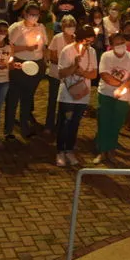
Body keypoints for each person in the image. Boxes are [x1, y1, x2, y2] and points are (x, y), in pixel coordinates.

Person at [55, 25, 98, 166]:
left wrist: (83, 73)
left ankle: (70, 150)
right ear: (79, 38)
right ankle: (60, 151)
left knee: (75, 123)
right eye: (86, 41)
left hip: (82, 94)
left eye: (91, 42)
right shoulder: (67, 50)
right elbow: (61, 74)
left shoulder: (92, 52)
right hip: (67, 94)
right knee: (65, 123)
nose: (88, 45)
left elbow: (94, 74)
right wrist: (74, 66)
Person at [93, 33, 130, 164]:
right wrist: (120, 85)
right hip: (106, 93)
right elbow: (104, 74)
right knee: (104, 122)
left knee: (116, 123)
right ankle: (102, 151)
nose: (120, 46)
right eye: (117, 44)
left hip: (124, 97)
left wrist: (124, 88)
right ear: (111, 46)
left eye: (122, 42)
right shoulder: (106, 56)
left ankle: (111, 150)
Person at [6, 3, 48, 139]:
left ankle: (24, 126)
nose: (33, 17)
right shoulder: (17, 28)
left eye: (36, 15)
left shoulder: (41, 28)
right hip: (20, 65)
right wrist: (25, 48)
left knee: (28, 97)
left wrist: (45, 61)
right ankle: (9, 129)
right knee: (13, 97)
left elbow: (44, 46)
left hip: (36, 66)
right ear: (25, 13)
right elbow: (8, 47)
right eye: (31, 14)